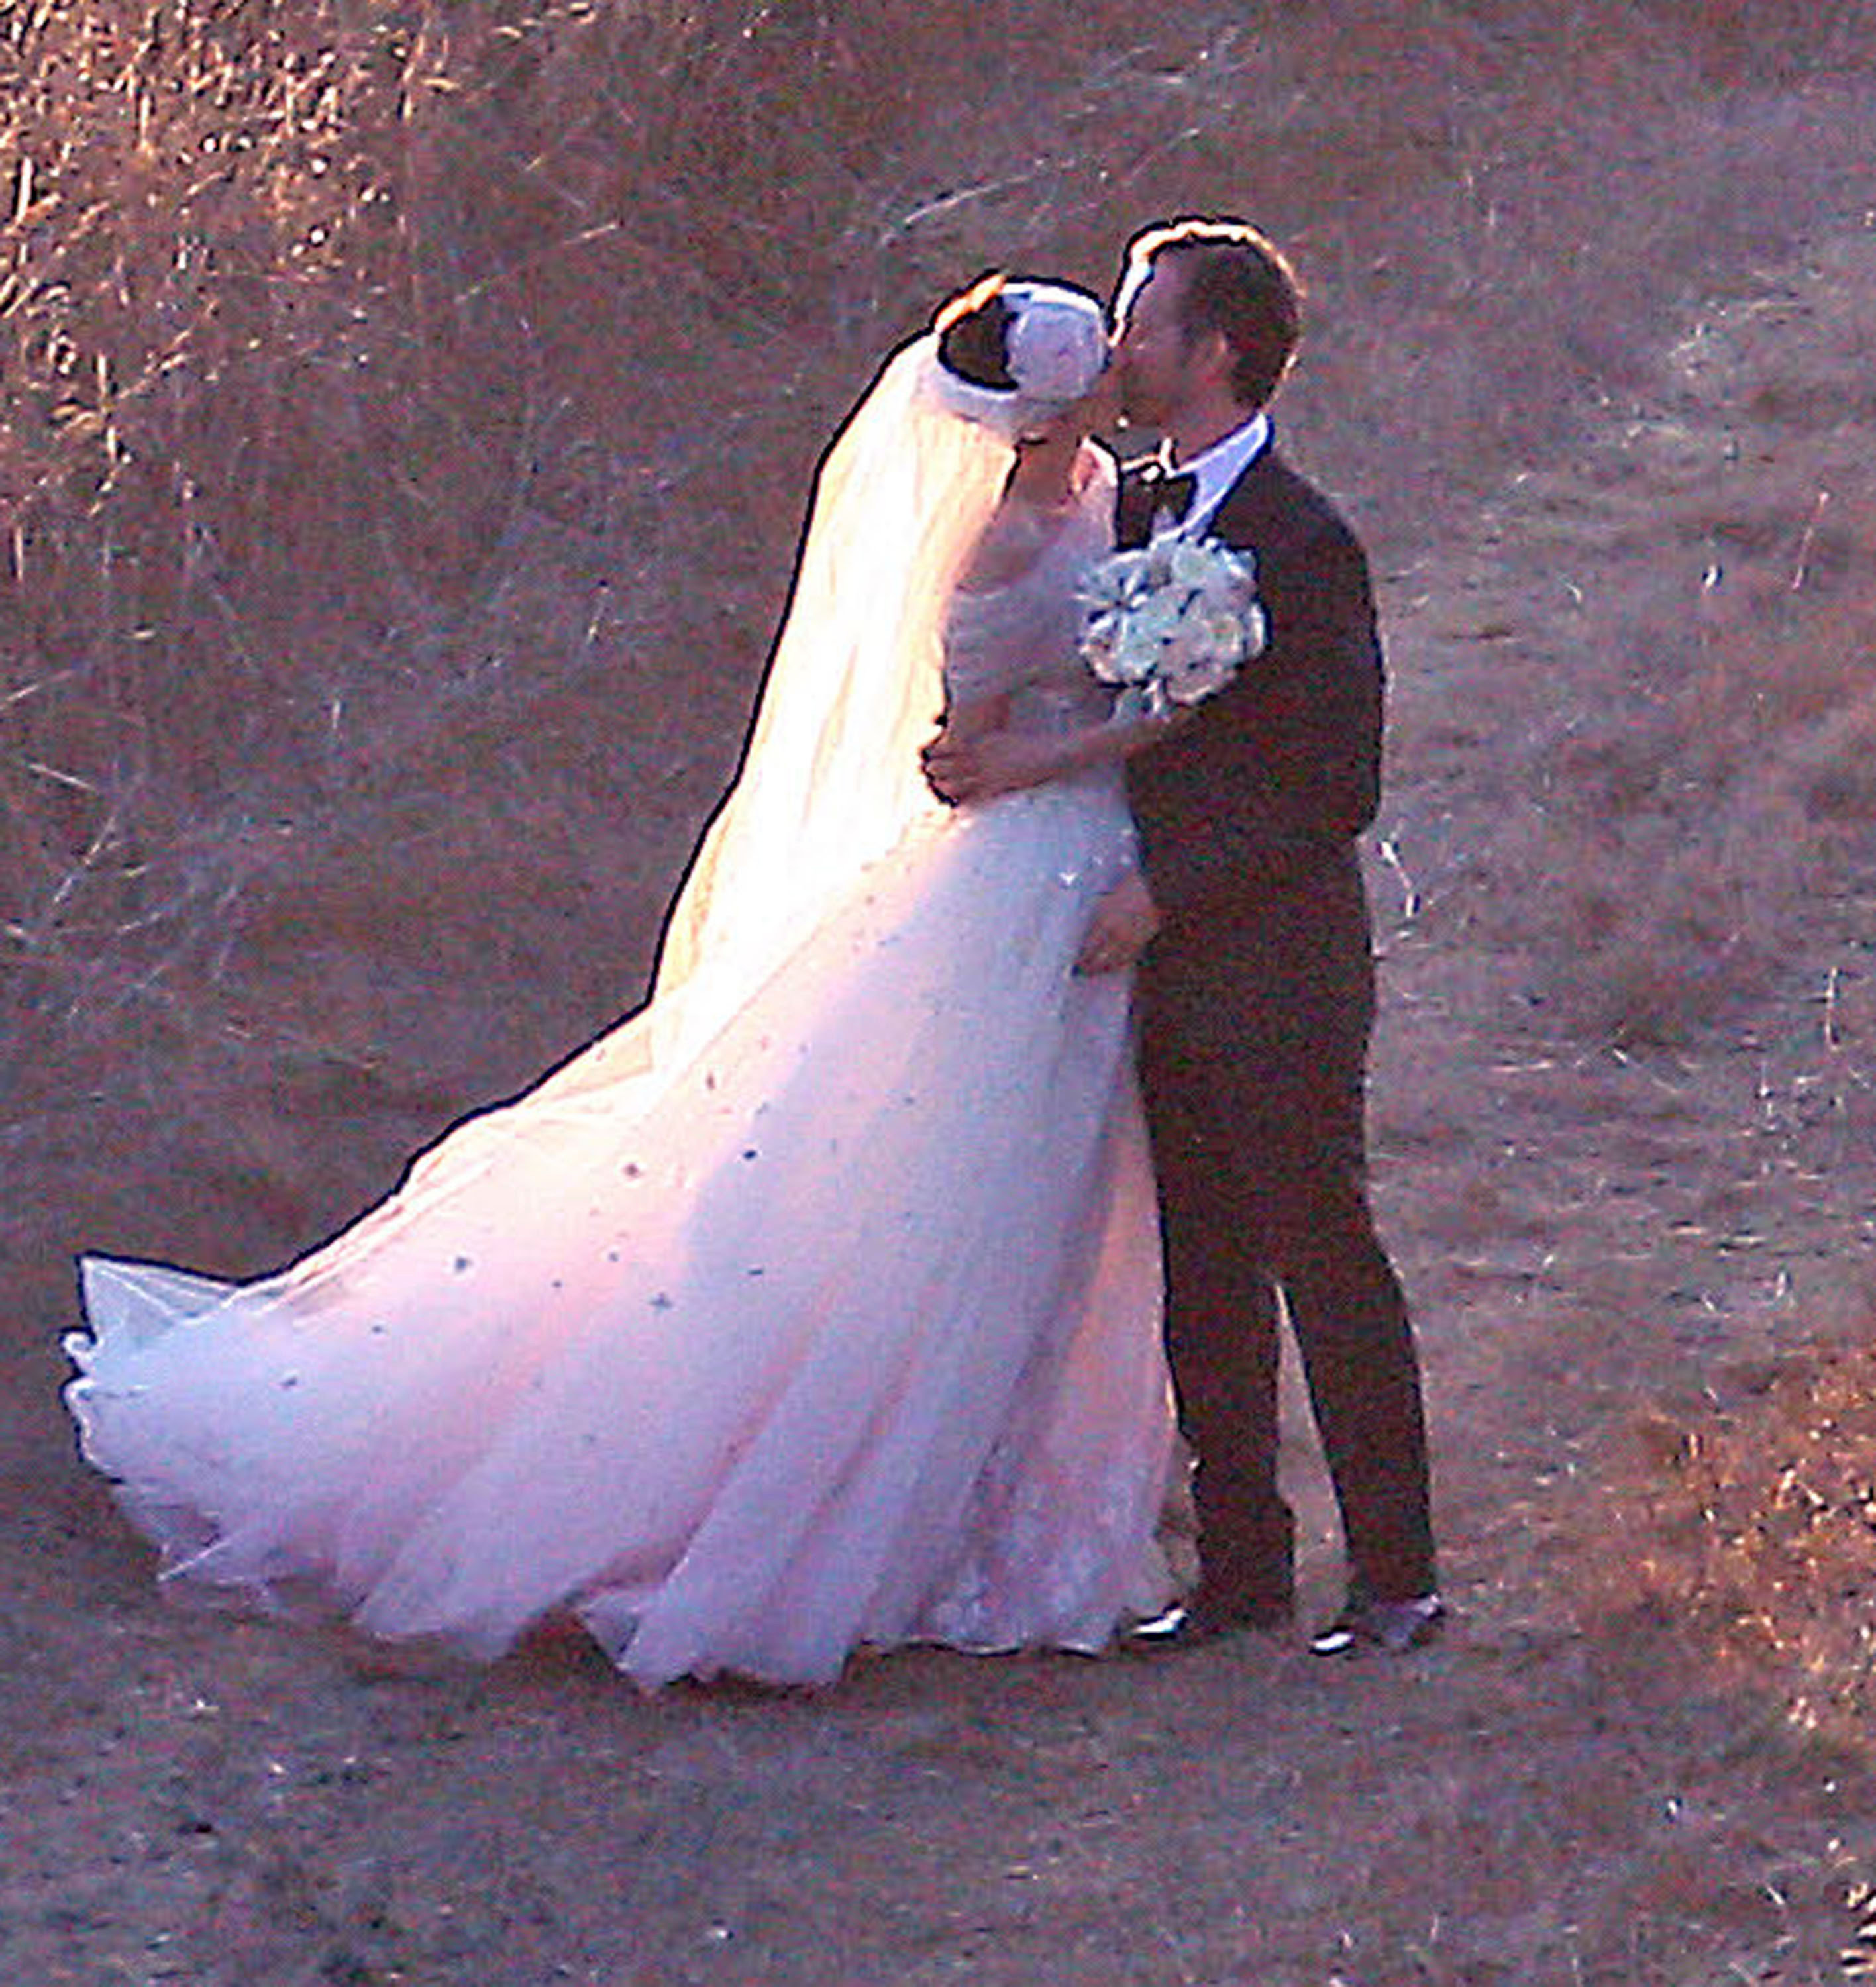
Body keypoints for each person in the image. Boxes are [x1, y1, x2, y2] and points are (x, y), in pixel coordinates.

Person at [62, 278, 1182, 1691]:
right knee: (961, 1188)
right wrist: (1147, 721)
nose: (1114, 382)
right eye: (1092, 368)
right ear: (1047, 402)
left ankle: (1016, 1483)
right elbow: (969, 745)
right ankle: (872, 1506)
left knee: (1053, 1185)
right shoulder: (1001, 546)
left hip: (1083, 864)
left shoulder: (1094, 490)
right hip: (1022, 873)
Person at [927, 219, 1441, 1656]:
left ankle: (1398, 1576)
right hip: (1146, 966)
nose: (1122, 347)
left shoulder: (1302, 540)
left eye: (1145, 327)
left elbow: (1336, 784)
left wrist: (1171, 893)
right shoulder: (1130, 515)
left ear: (1215, 352)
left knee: (1320, 1251)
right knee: (1203, 1272)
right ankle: (1241, 1574)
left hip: (1275, 959)